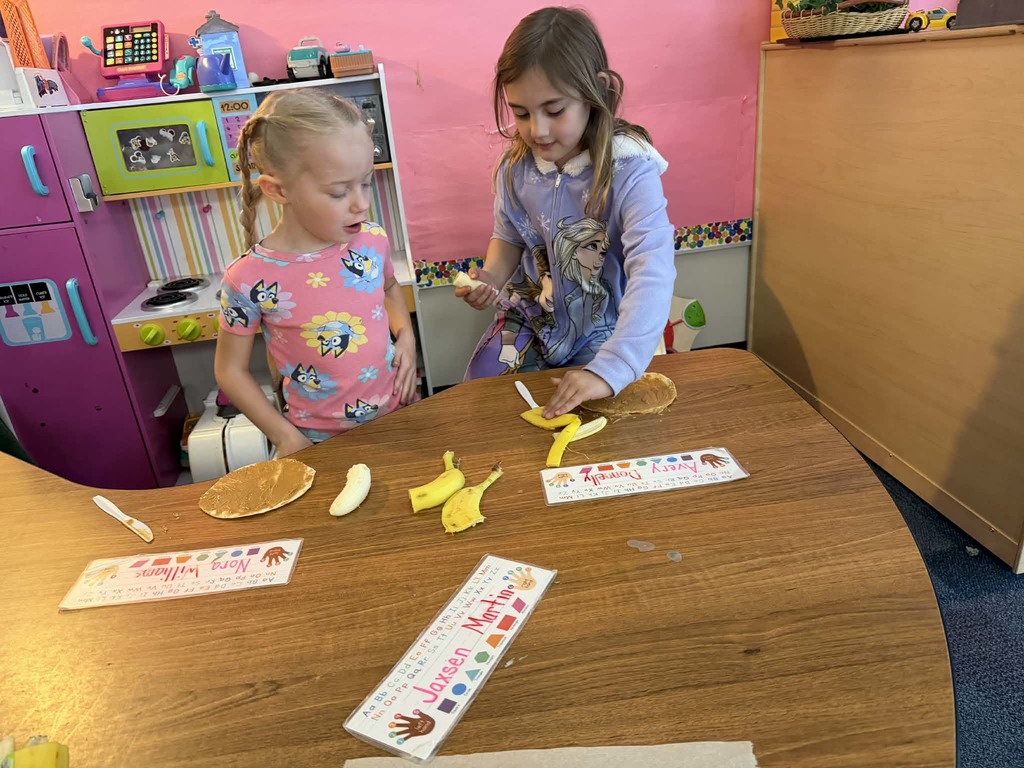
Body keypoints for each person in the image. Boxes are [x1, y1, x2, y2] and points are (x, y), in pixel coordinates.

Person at [456, 6, 675, 419]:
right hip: (531, 319)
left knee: (598, 423)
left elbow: (653, 269)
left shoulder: (630, 168)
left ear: (599, 94)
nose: (536, 130)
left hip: (603, 331)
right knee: (481, 402)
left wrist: (615, 366)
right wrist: (489, 279)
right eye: (521, 112)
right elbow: (508, 236)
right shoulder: (515, 168)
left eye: (554, 111)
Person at [214, 89, 418, 458]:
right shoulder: (247, 279)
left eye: (366, 182)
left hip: (398, 420)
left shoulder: (372, 240)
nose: (362, 203)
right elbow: (230, 371)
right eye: (340, 192)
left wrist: (405, 337)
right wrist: (285, 437)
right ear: (278, 190)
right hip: (316, 443)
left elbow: (389, 289)